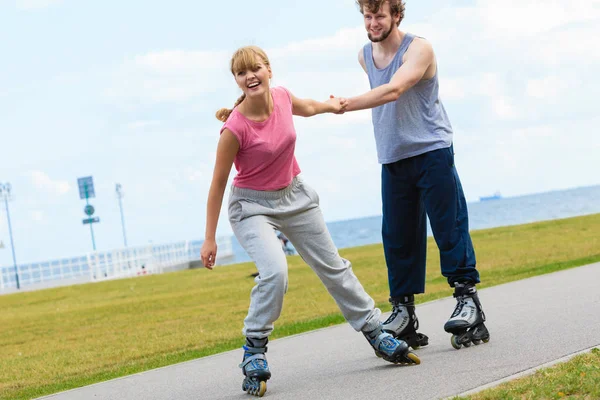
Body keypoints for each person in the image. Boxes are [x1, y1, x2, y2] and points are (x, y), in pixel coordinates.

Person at [200, 46, 420, 397]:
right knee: (275, 272)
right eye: (242, 73)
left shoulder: (283, 97)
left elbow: (309, 108)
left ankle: (376, 331)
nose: (250, 76)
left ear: (268, 70)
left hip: (295, 195)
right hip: (252, 206)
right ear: (238, 81)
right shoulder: (234, 128)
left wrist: (334, 106)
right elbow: (217, 184)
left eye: (255, 68)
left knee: (334, 267)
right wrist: (210, 238)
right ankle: (254, 349)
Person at [336, 0, 490, 350]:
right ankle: (403, 312)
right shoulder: (364, 56)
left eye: (379, 15)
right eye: (367, 15)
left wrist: (343, 104)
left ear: (397, 15)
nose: (372, 22)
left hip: (431, 150)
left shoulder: (419, 49)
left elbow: (394, 89)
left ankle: (468, 302)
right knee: (398, 237)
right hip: (393, 157)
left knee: (449, 228)